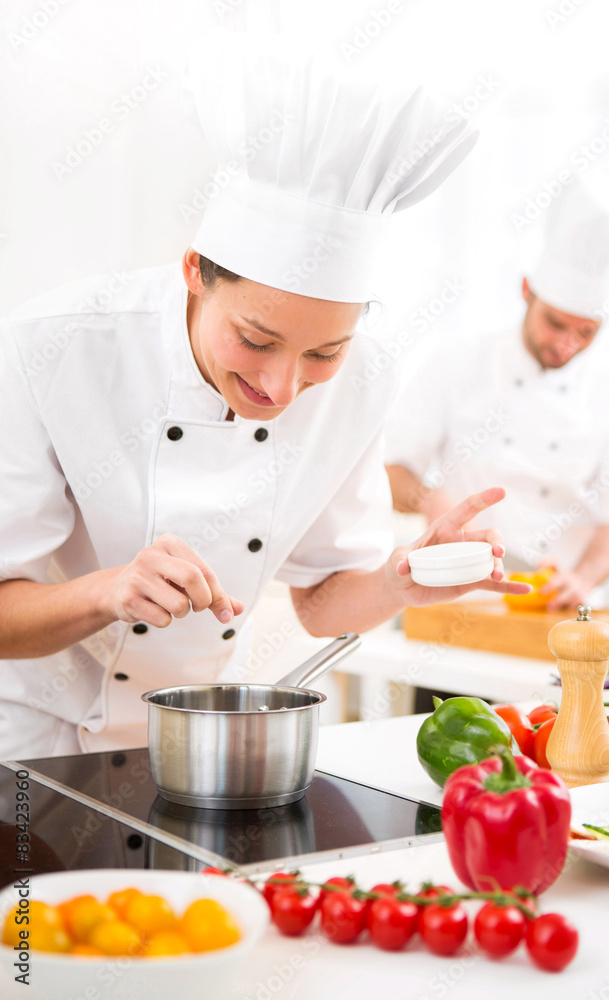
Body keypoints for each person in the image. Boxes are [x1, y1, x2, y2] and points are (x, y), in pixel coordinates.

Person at [0, 29, 527, 759]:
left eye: (324, 351)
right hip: (39, 747)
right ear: (193, 272)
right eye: (253, 339)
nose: (281, 387)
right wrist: (106, 592)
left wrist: (403, 579)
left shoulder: (366, 377)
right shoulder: (53, 349)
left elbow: (321, 602)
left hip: (207, 739)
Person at [386, 163, 609, 610]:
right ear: (527, 290)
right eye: (556, 323)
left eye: (586, 332)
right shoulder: (455, 362)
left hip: (558, 609)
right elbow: (393, 471)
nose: (567, 343)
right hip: (460, 601)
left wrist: (583, 578)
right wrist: (430, 499)